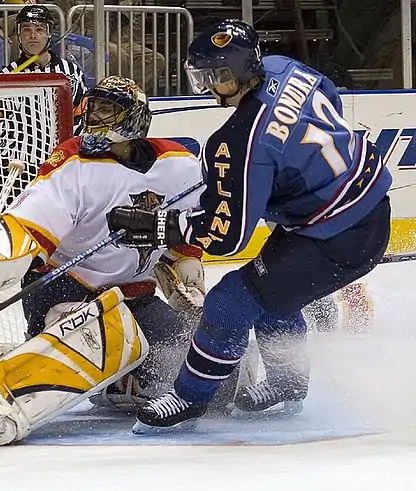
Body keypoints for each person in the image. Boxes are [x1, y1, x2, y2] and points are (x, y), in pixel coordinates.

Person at [106, 19, 392, 433]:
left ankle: (189, 397)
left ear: (232, 74)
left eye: (213, 77)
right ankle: (288, 384)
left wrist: (162, 227)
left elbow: (226, 237)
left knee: (232, 300)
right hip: (358, 204)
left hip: (340, 235)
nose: (207, 87)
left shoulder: (240, 140)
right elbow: (330, 100)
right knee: (274, 293)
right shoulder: (285, 67)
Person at [0, 76, 214, 446]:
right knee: (98, 334)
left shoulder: (179, 164)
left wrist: (184, 273)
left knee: (202, 368)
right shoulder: (72, 163)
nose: (94, 117)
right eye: (91, 107)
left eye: (106, 109)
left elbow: (189, 229)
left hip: (135, 297)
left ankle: (126, 382)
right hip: (65, 289)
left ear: (135, 119)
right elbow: (31, 223)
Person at [0, 4, 87, 221]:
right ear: (18, 35)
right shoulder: (6, 75)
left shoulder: (70, 72)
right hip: (12, 164)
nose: (32, 35)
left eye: (39, 29)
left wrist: (76, 156)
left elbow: (82, 116)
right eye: (26, 29)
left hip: (57, 165)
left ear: (48, 34)